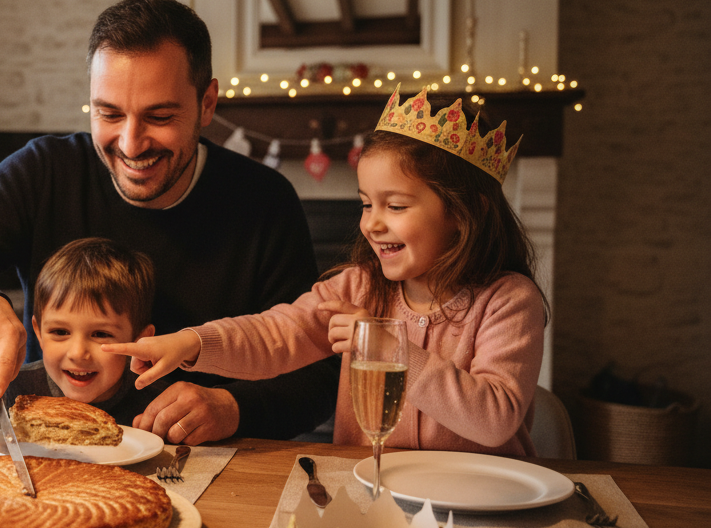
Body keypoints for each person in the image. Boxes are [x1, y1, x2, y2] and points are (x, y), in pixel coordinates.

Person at [0, 0, 339, 444]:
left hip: (202, 467)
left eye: (159, 116)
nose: (131, 144)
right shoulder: (45, 170)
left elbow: (318, 375)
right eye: (109, 114)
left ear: (207, 103)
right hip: (42, 452)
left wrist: (233, 407)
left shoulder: (263, 200)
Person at [104, 89, 549, 456]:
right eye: (365, 204)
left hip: (483, 507)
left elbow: (495, 418)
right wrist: (192, 342)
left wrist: (385, 347)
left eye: (394, 206)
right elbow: (275, 334)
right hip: (376, 492)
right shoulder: (359, 288)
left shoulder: (509, 301)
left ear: (464, 212)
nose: (371, 223)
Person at [0, 237, 164, 424]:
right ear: (38, 333)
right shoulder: (12, 388)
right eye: (60, 332)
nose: (77, 353)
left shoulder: (159, 404)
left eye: (101, 334)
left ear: (140, 342)